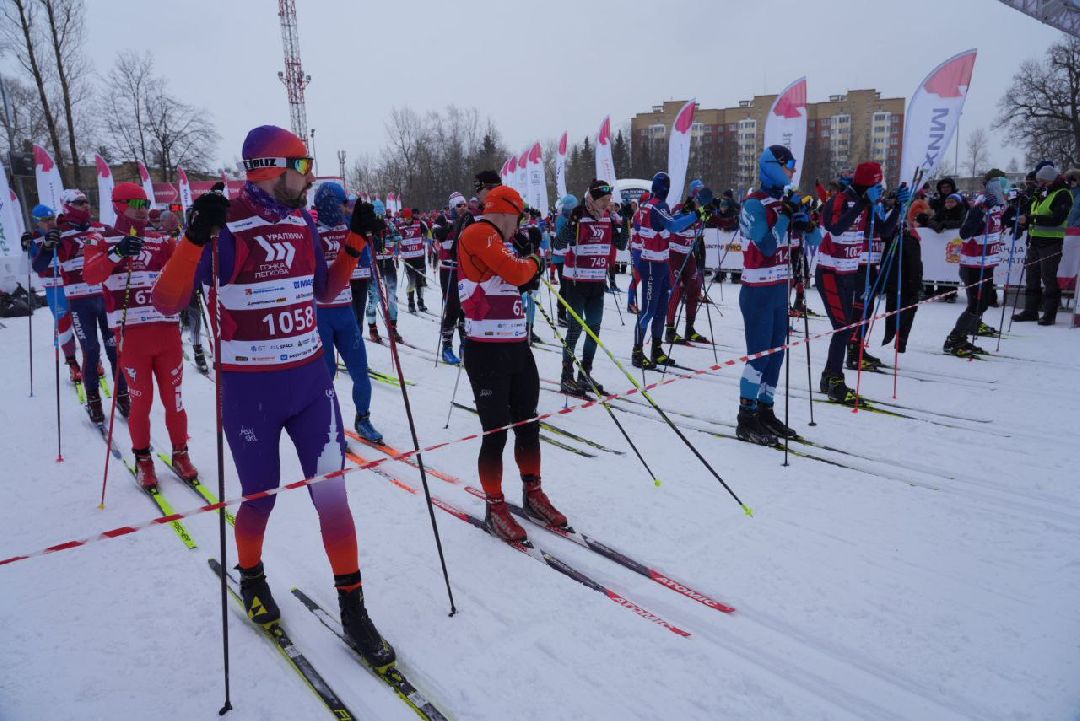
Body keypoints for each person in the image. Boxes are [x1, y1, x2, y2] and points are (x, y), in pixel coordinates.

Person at [152, 125, 395, 668]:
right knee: (260, 495)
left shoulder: (302, 221)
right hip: (250, 394)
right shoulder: (226, 225)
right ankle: (252, 577)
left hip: (311, 385)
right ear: (269, 166)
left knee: (333, 496)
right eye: (302, 166)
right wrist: (193, 240)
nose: (310, 177)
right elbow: (167, 302)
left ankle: (353, 609)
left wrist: (354, 241)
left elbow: (325, 292)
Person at [456, 185, 562, 542]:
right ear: (505, 210)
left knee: (528, 424)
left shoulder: (502, 240)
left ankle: (532, 493)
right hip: (486, 350)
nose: (519, 226)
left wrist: (526, 267)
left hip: (516, 344)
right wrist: (534, 263)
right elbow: (517, 273)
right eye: (517, 217)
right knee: (495, 432)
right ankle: (495, 505)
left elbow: (515, 277)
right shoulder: (477, 232)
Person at [83, 183, 198, 488]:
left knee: (174, 400)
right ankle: (143, 458)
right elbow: (90, 274)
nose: (143, 207)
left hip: (166, 333)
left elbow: (185, 269)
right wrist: (117, 252)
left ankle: (180, 453)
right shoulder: (102, 236)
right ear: (119, 204)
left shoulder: (160, 239)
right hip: (131, 336)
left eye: (146, 201)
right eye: (135, 202)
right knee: (141, 402)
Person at [735, 146, 821, 445]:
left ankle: (765, 410)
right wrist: (785, 219)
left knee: (776, 355)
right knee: (759, 356)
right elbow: (767, 246)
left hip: (779, 289)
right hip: (757, 290)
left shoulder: (783, 202)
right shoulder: (753, 204)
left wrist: (806, 221)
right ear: (771, 166)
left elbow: (816, 240)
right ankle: (746, 417)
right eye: (789, 165)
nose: (793, 171)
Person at [32, 188, 129, 424]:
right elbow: (39, 266)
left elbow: (122, 245)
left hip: (104, 299)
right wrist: (45, 246)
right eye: (80, 202)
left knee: (115, 349)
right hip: (79, 301)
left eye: (87, 201)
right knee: (91, 349)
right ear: (67, 206)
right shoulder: (60, 232)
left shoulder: (99, 228)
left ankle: (124, 396)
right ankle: (94, 400)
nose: (86, 205)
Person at [817, 162, 900, 403]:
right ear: (867, 184)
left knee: (845, 328)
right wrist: (864, 203)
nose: (879, 190)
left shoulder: (867, 204)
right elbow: (836, 228)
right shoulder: (840, 200)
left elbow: (884, 231)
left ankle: (828, 377)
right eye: (876, 185)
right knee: (842, 328)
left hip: (849, 273)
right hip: (830, 272)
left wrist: (899, 207)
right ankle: (835, 381)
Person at [312, 182, 383, 443]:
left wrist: (370, 234)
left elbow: (363, 263)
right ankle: (327, 423)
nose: (346, 208)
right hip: (320, 314)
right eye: (342, 203)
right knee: (326, 376)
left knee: (361, 373)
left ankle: (363, 418)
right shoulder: (312, 232)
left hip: (345, 312)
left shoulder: (349, 228)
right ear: (330, 203)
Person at [554, 179, 624, 397]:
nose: (607, 205)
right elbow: (558, 245)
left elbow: (621, 244)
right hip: (576, 282)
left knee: (594, 328)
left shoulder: (608, 218)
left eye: (609, 200)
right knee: (575, 328)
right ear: (592, 200)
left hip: (597, 283)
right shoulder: (578, 215)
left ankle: (585, 372)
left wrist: (624, 223)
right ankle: (567, 375)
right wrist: (570, 225)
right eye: (604, 201)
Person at [631, 172, 698, 369]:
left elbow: (663, 222)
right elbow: (673, 226)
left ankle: (657, 350)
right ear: (665, 189)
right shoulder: (657, 206)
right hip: (652, 263)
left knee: (660, 310)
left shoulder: (646, 205)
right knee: (649, 310)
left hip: (661, 263)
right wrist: (695, 215)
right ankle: (637, 352)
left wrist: (684, 213)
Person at [943, 175, 1008, 356]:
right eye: (1003, 191)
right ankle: (954, 339)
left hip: (986, 264)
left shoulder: (996, 209)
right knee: (975, 305)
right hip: (973, 266)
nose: (1006, 195)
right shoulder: (980, 208)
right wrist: (980, 213)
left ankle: (965, 333)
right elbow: (964, 234)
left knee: (984, 303)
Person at [24, 204, 81, 382]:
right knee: (63, 324)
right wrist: (25, 246)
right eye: (45, 220)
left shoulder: (63, 232)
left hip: (72, 285)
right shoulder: (34, 238)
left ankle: (94, 363)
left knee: (81, 323)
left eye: (51, 219)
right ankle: (72, 365)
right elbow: (32, 262)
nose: (50, 223)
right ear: (37, 222)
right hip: (53, 288)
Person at [1012, 162, 1071, 325]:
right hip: (1035, 241)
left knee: (1049, 278)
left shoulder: (1063, 193)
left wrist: (1030, 219)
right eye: (1039, 181)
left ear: (1050, 179)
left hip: (1051, 242)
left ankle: (1049, 313)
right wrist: (1024, 223)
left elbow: (1056, 219)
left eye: (1043, 181)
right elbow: (1033, 212)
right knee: (1032, 277)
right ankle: (1030, 311)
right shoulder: (1041, 193)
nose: (1040, 184)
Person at [664, 179, 709, 344]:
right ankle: (669, 330)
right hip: (673, 255)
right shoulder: (680, 208)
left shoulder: (703, 211)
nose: (700, 201)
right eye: (698, 195)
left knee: (694, 289)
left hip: (688, 255)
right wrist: (692, 215)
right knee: (676, 291)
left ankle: (690, 328)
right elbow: (677, 224)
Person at [434, 193, 466, 364]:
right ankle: (447, 347)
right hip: (448, 269)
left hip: (464, 269)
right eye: (459, 205)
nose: (463, 208)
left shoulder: (467, 219)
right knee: (453, 308)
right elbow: (437, 235)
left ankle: (464, 345)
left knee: (465, 308)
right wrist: (453, 227)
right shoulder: (443, 219)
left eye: (464, 205)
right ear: (453, 206)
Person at [366, 200, 403, 344]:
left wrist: (390, 239)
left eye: (382, 215)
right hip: (373, 264)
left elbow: (398, 236)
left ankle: (393, 328)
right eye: (377, 215)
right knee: (374, 298)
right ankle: (373, 329)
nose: (380, 219)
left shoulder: (389, 223)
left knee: (392, 296)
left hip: (387, 262)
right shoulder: (368, 225)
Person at [397, 208, 428, 313]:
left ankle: (421, 302)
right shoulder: (400, 226)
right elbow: (395, 238)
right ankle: (411, 303)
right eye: (406, 218)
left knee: (420, 282)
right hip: (408, 259)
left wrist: (426, 239)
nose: (408, 220)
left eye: (409, 218)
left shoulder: (419, 224)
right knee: (411, 281)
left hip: (419, 257)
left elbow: (428, 233)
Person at [625, 192, 648, 312]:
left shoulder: (644, 213)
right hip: (638, 250)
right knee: (637, 277)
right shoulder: (639, 214)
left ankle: (640, 303)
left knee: (644, 278)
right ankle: (630, 303)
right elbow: (639, 228)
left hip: (643, 250)